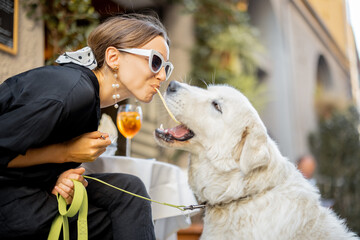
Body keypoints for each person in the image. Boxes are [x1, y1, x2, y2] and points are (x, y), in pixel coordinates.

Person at [0, 13, 173, 239]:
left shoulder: (88, 97)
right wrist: (65, 153)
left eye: (166, 68)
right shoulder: (73, 92)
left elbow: (33, 147)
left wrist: (61, 177)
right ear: (113, 57)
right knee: (115, 219)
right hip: (10, 200)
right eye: (155, 61)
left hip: (28, 184)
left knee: (129, 189)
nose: (162, 75)